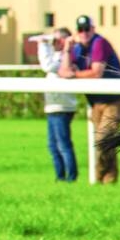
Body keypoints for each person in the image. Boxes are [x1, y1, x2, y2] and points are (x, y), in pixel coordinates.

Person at [59, 14, 120, 184]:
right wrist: (67, 48)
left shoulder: (99, 43)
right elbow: (62, 71)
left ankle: (103, 177)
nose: (84, 33)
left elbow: (96, 73)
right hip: (97, 102)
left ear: (93, 29)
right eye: (80, 29)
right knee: (105, 141)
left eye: (86, 29)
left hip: (115, 99)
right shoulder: (76, 48)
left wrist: (73, 74)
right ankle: (108, 179)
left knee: (103, 138)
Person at [34, 29, 78, 182]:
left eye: (58, 39)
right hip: (52, 106)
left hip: (62, 107)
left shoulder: (68, 57)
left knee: (63, 145)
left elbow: (48, 66)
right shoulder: (56, 55)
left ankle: (71, 178)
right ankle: (60, 178)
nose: (55, 42)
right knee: (53, 146)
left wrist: (42, 45)